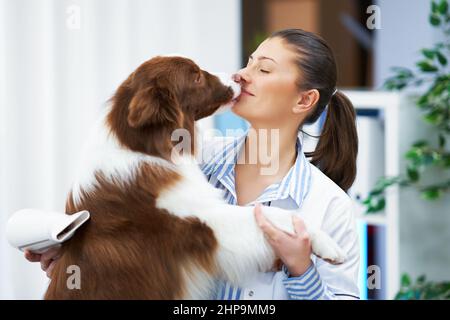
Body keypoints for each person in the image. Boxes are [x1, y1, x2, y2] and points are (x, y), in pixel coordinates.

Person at [26, 28, 360, 300]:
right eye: (249, 62)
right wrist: (78, 253)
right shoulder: (187, 161)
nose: (242, 75)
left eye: (264, 69)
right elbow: (127, 228)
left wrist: (301, 270)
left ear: (304, 99)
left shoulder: (330, 206)